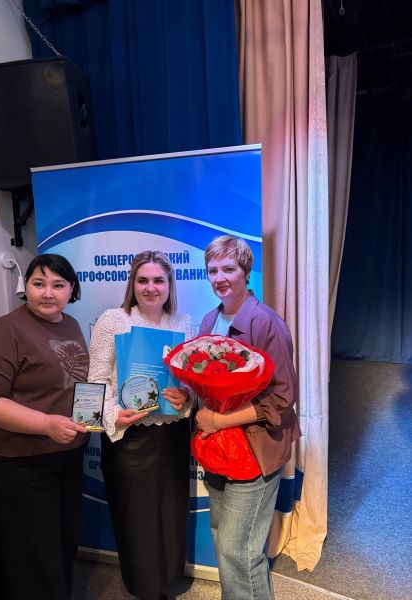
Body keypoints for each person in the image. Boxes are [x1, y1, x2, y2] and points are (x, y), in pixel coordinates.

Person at [0, 253, 89, 600]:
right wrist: (45, 424)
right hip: (22, 464)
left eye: (58, 285)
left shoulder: (71, 325)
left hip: (66, 458)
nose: (47, 293)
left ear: (72, 289)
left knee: (61, 548)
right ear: (26, 286)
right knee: (33, 559)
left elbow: (77, 386)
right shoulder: (3, 332)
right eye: (38, 283)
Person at [195, 235, 301, 600]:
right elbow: (206, 383)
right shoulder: (209, 320)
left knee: (239, 551)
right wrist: (187, 397)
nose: (219, 278)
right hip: (218, 450)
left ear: (246, 272)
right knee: (226, 542)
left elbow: (283, 398)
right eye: (212, 270)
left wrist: (219, 421)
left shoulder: (267, 323)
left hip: (256, 451)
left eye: (228, 269)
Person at [88, 250, 195, 600]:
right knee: (136, 520)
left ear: (169, 284)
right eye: (143, 280)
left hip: (173, 437)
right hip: (128, 439)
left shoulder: (184, 323)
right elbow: (94, 381)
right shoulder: (113, 320)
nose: (151, 287)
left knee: (172, 515)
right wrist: (111, 415)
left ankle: (168, 583)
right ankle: (144, 589)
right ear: (132, 284)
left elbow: (192, 383)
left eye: (158, 280)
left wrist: (186, 396)